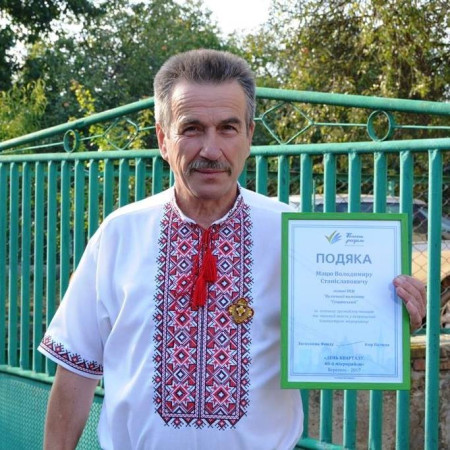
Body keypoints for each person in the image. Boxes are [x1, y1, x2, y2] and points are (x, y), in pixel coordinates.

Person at [39, 49, 426, 450]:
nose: (211, 150)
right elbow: (76, 371)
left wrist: (390, 317)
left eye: (227, 128)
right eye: (191, 129)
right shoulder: (119, 234)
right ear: (163, 139)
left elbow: (343, 335)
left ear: (248, 135)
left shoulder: (296, 235)